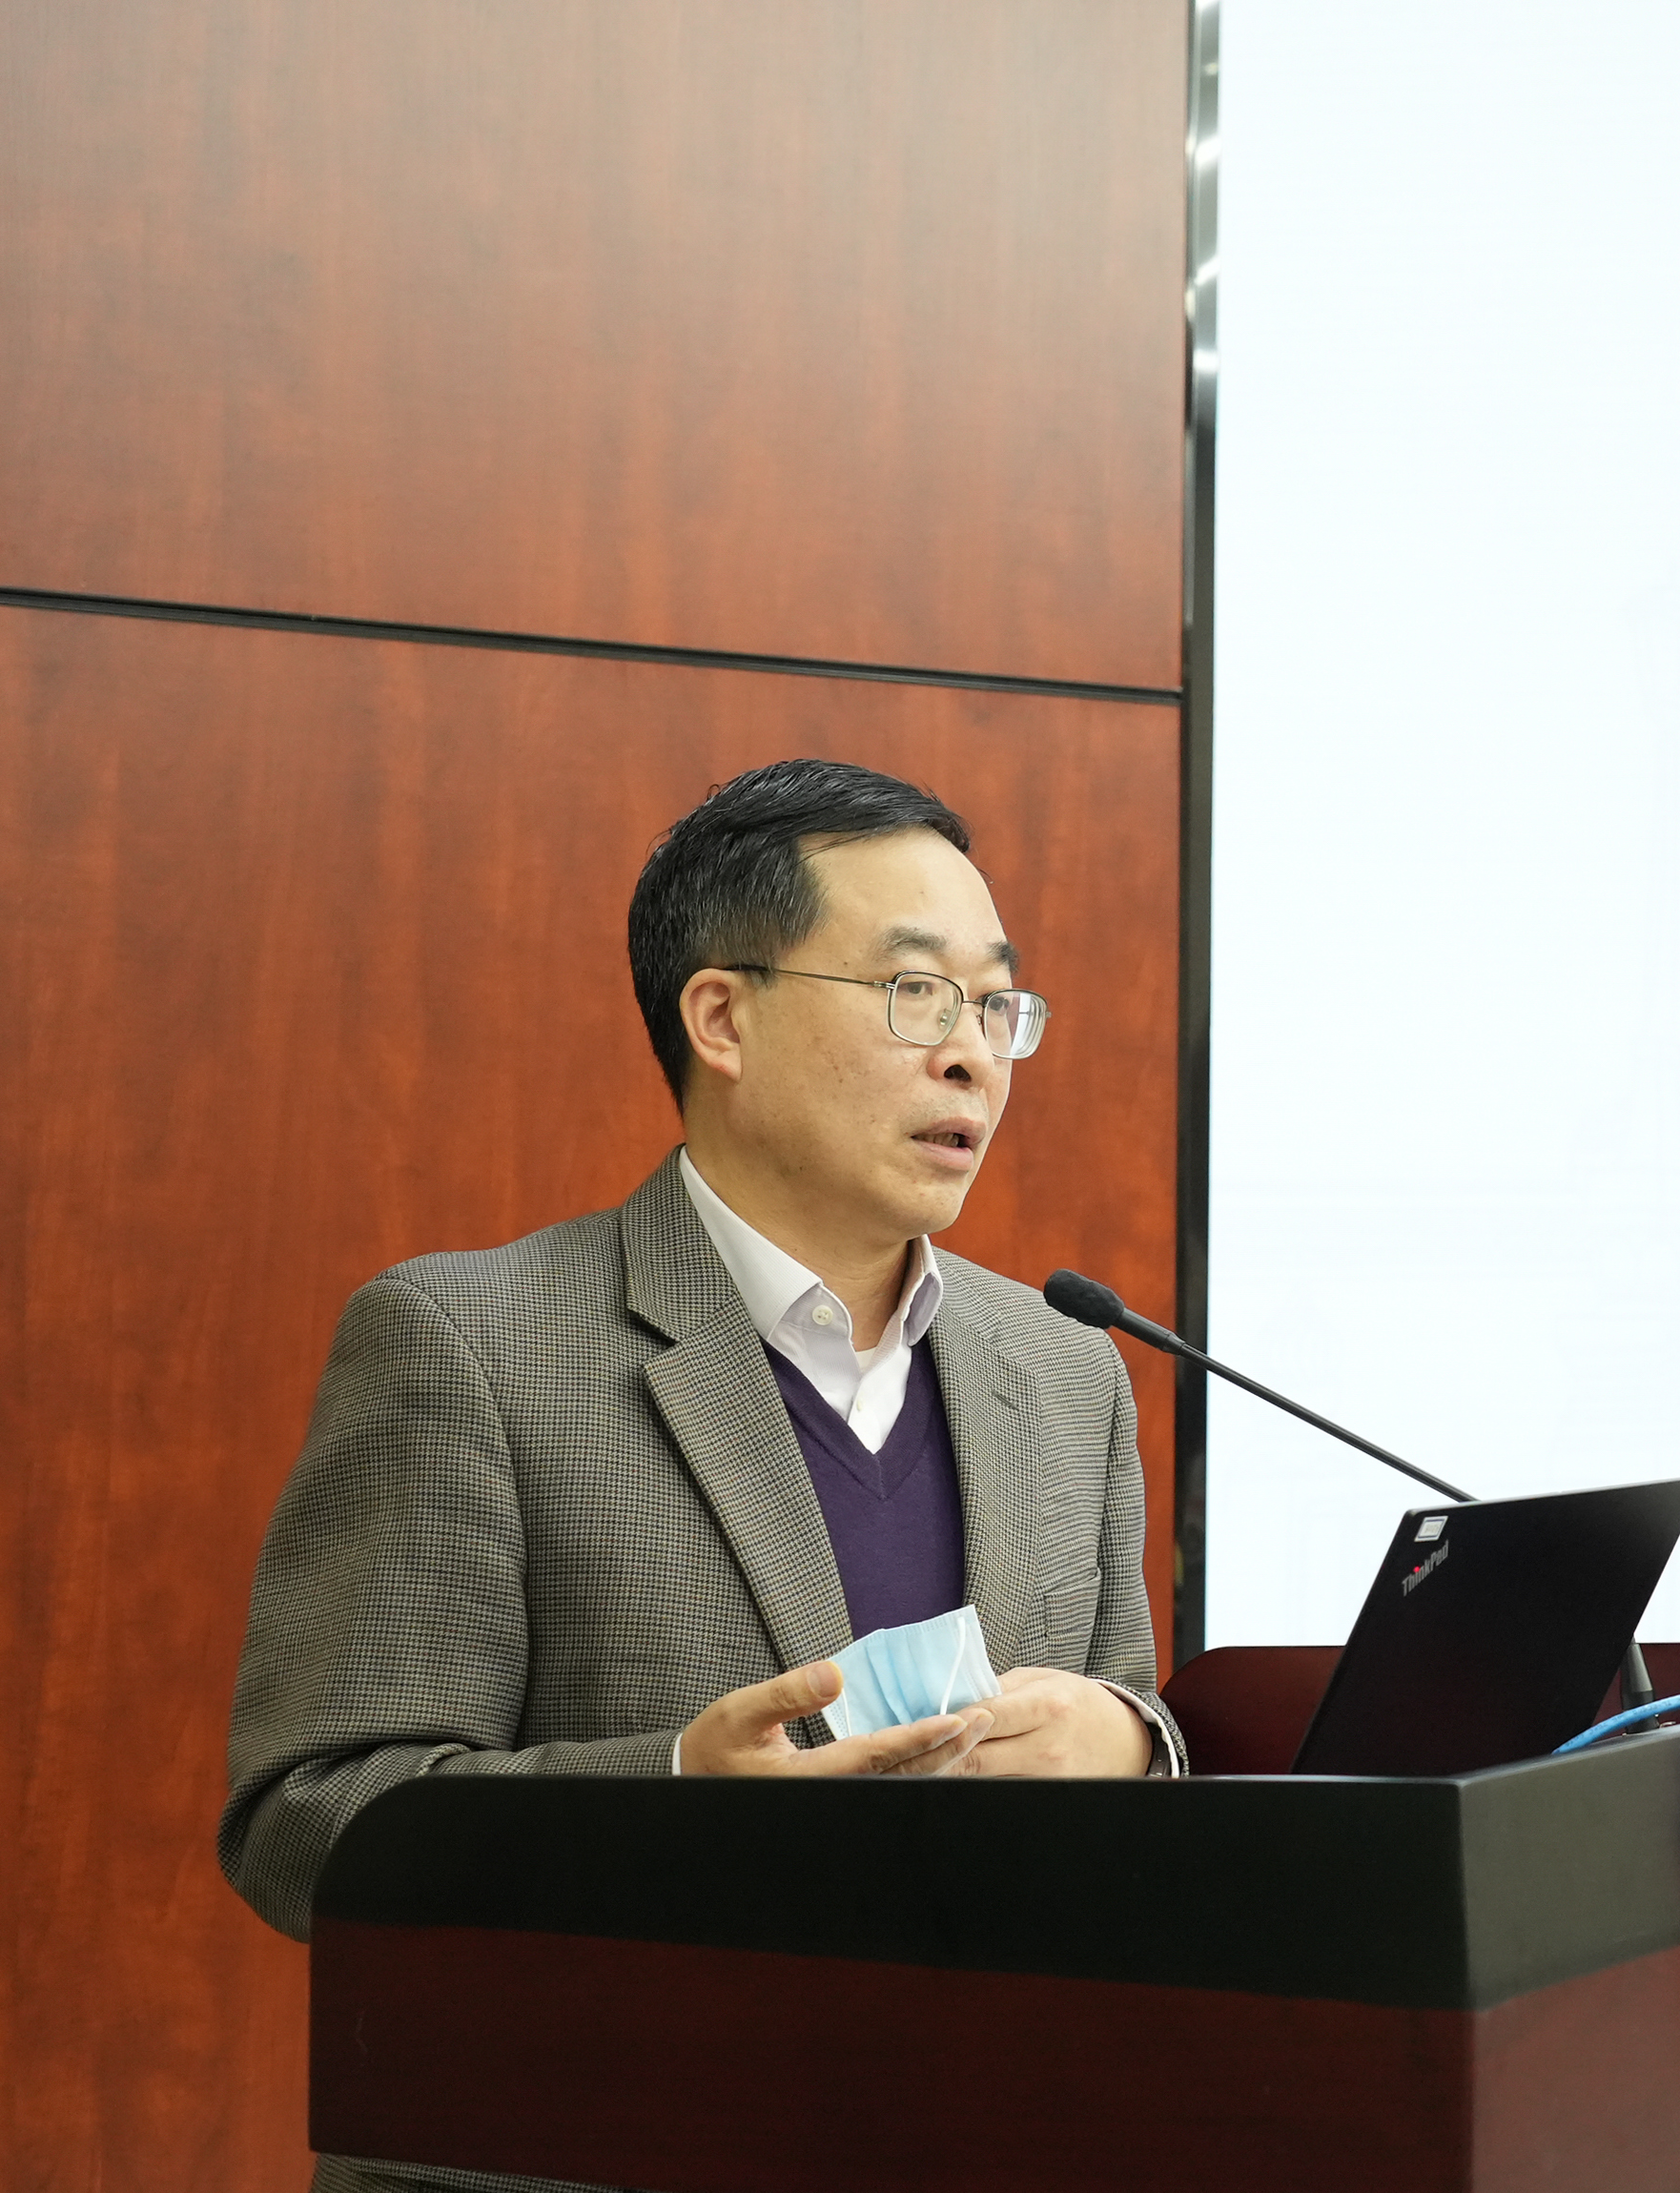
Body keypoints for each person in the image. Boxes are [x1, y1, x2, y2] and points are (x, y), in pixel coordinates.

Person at [223, 759, 1178, 2183]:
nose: (974, 1056)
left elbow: (1127, 1741)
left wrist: (1129, 1746)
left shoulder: (1064, 1368)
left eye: (996, 1006)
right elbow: (305, 1830)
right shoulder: (466, 1345)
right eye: (916, 993)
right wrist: (672, 1795)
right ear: (721, 1017)